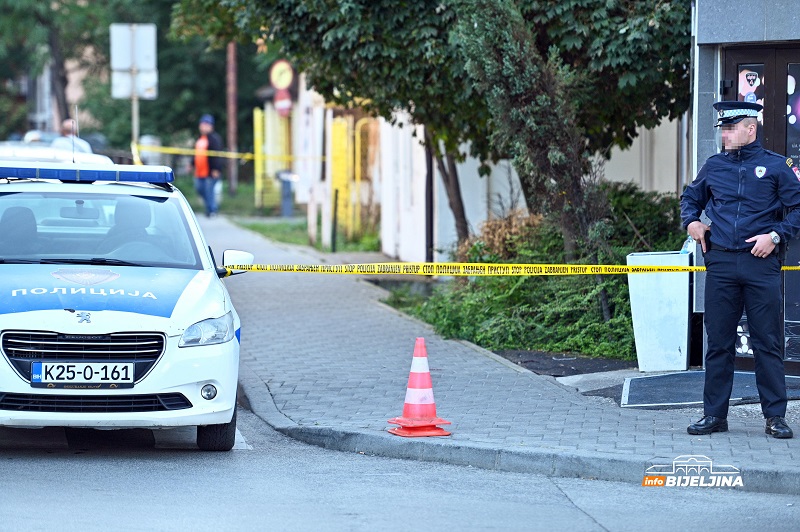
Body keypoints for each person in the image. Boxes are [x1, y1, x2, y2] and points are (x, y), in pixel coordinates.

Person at [681, 100, 800, 439]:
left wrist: (775, 236)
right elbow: (690, 199)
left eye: (731, 128)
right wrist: (692, 223)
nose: (725, 134)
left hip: (760, 264)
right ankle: (714, 416)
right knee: (718, 344)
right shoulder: (714, 166)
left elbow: (798, 208)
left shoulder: (776, 167)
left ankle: (775, 417)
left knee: (767, 343)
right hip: (720, 264)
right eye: (723, 129)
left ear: (751, 129)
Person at [192, 114, 224, 217]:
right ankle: (210, 207)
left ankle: (212, 210)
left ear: (211, 126)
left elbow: (217, 155)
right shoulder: (199, 139)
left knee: (209, 191)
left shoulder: (215, 139)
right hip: (199, 172)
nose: (204, 127)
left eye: (207, 125)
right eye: (203, 124)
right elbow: (196, 154)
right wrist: (191, 164)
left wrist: (216, 169)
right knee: (200, 189)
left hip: (210, 172)